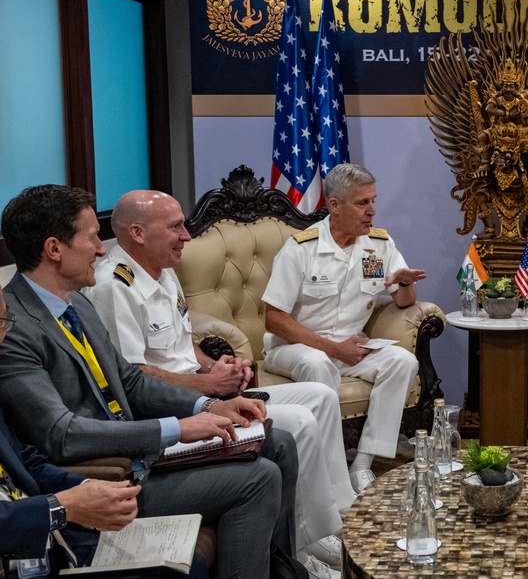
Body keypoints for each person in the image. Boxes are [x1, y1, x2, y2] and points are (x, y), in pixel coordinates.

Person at [0, 184, 298, 579]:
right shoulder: (13, 325)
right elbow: (62, 434)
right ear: (54, 249)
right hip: (104, 471)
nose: (102, 249)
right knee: (258, 479)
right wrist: (175, 429)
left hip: (137, 449)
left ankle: (278, 569)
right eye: (92, 238)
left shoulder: (76, 302)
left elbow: (130, 381)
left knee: (276, 443)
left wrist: (208, 407)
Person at [84, 190, 352, 577]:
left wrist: (217, 365)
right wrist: (208, 387)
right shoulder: (115, 286)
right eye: (175, 227)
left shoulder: (162, 271)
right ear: (139, 233)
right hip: (175, 406)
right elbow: (134, 375)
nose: (186, 236)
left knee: (322, 396)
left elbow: (182, 343)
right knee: (299, 423)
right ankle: (306, 543)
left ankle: (331, 520)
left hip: (202, 390)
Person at [262, 163, 426, 492]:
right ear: (335, 206)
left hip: (349, 347)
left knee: (403, 362)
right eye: (362, 203)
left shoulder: (379, 244)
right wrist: (334, 349)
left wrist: (405, 285)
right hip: (293, 349)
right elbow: (274, 318)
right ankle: (331, 476)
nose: (372, 211)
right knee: (318, 361)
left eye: (373, 201)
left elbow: (404, 302)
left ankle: (363, 464)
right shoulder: (301, 249)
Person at [0, 285, 153, 577]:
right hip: (20, 550)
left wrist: (83, 488)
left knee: (181, 563)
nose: (3, 337)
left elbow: (25, 461)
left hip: (48, 541)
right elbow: (61, 434)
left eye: (5, 321)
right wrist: (63, 507)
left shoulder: (79, 303)